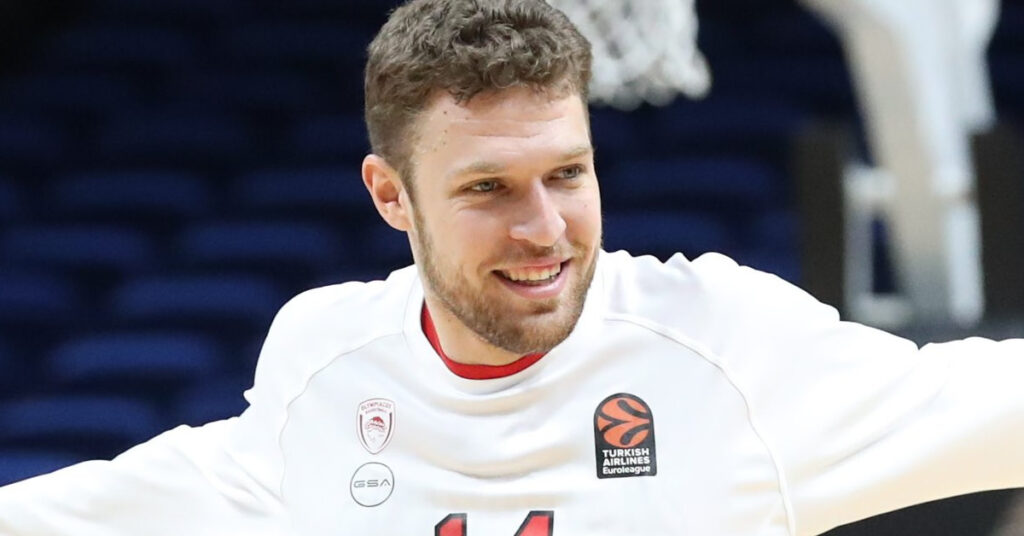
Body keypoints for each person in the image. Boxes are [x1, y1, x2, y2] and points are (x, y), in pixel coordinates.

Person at [2, 0, 1023, 534]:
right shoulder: (325, 358)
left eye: (568, 174)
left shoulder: (721, 344)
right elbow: (154, 497)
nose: (544, 227)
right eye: (488, 188)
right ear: (390, 195)